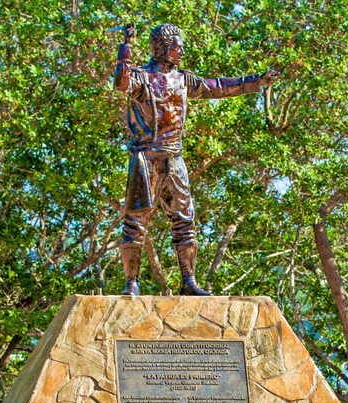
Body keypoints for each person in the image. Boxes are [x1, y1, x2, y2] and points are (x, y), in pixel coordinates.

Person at [113, 23, 279, 296]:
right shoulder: (141, 78)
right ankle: (131, 283)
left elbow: (217, 87)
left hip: (174, 157)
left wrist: (256, 82)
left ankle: (188, 281)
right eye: (178, 46)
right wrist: (126, 47)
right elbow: (121, 81)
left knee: (185, 221)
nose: (182, 51)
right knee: (136, 222)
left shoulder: (182, 79)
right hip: (146, 156)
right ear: (164, 48)